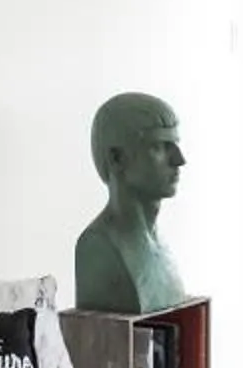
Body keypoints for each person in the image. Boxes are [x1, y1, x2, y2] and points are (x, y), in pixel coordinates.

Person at [76, 92, 189, 313]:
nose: (179, 160)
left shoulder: (162, 249)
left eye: (174, 145)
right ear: (117, 158)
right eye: (158, 146)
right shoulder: (98, 246)